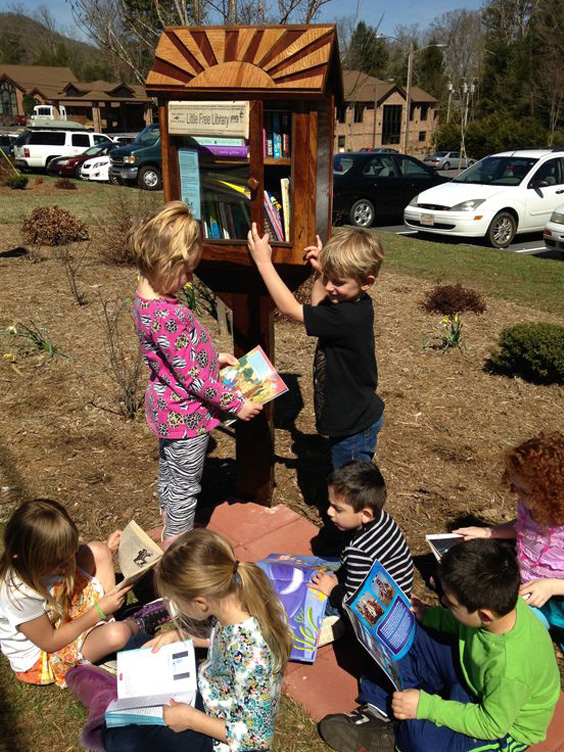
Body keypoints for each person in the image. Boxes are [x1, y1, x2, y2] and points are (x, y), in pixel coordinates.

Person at [318, 539, 560, 752]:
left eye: (451, 604)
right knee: (399, 632)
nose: (443, 602)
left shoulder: (510, 669)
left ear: (485, 616)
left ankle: (401, 723)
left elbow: (492, 724)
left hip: (501, 727)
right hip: (471, 676)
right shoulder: (501, 604)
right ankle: (379, 710)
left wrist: (427, 706)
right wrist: (430, 616)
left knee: (421, 743)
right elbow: (462, 625)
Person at [69, 528, 293, 752]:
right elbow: (223, 642)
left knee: (121, 742)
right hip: (210, 690)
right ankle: (123, 702)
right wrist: (181, 636)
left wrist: (190, 719)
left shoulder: (253, 656)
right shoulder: (234, 600)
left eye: (177, 602)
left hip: (217, 734)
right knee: (138, 647)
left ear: (200, 603)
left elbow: (258, 739)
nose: (177, 610)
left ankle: (109, 702)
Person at [131, 202, 262, 544]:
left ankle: (167, 521)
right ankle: (178, 544)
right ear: (165, 263)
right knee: (186, 487)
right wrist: (236, 405)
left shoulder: (144, 299)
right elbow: (195, 380)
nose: (189, 279)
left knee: (170, 474)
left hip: (165, 406)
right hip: (186, 416)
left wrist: (211, 356)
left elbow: (174, 357)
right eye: (186, 271)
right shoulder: (167, 314)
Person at [247, 224, 385, 468]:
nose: (330, 287)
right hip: (351, 415)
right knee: (347, 482)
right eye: (329, 279)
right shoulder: (353, 302)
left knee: (350, 486)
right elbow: (317, 303)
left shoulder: (348, 317)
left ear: (367, 282)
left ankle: (363, 509)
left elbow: (291, 309)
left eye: (338, 282)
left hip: (353, 425)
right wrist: (322, 272)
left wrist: (263, 263)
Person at [0, 499, 140, 689]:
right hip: (44, 656)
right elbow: (49, 642)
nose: (67, 564)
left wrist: (108, 548)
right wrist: (98, 611)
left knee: (99, 550)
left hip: (55, 612)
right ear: (28, 557)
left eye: (70, 554)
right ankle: (133, 622)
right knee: (119, 634)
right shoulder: (18, 594)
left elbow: (78, 559)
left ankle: (107, 621)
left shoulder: (43, 565)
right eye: (60, 561)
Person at [455, 432, 564, 645]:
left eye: (523, 491)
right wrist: (488, 532)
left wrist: (552, 586)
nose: (516, 495)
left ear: (552, 494)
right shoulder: (529, 506)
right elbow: (521, 528)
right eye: (514, 486)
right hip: (528, 587)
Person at [310, 461, 413, 611]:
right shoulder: (380, 516)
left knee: (318, 603)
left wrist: (332, 590)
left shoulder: (358, 551)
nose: (329, 512)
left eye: (338, 509)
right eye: (330, 504)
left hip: (384, 607)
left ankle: (336, 626)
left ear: (365, 514)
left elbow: (356, 605)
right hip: (399, 589)